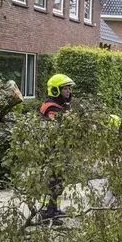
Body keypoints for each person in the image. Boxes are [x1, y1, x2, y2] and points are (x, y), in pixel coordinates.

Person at [38, 74, 75, 221]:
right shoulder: (50, 108)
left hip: (60, 151)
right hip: (51, 151)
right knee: (51, 183)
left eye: (68, 89)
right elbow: (57, 130)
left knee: (59, 182)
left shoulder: (61, 107)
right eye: (65, 89)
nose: (68, 92)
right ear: (55, 91)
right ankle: (46, 213)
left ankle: (54, 210)